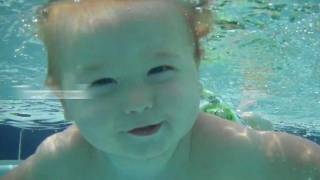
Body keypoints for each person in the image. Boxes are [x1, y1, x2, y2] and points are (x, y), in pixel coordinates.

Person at [3, 0, 320, 179]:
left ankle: (249, 117)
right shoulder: (61, 164)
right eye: (102, 82)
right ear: (64, 100)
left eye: (159, 70)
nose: (138, 103)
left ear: (196, 69)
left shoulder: (234, 153)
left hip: (213, 116)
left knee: (244, 122)